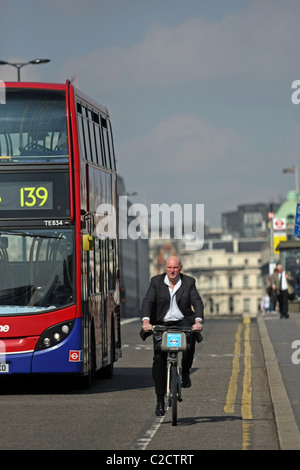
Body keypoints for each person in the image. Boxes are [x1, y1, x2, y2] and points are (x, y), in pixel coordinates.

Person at [141, 255, 204, 416]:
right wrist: (146, 321)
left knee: (190, 340)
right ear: (165, 268)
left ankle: (185, 372)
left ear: (180, 268)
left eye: (175, 267)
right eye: (169, 267)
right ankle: (160, 401)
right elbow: (148, 301)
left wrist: (198, 321)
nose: (172, 270)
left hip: (183, 320)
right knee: (159, 360)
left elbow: (197, 302)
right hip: (162, 322)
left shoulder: (188, 282)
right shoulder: (156, 282)